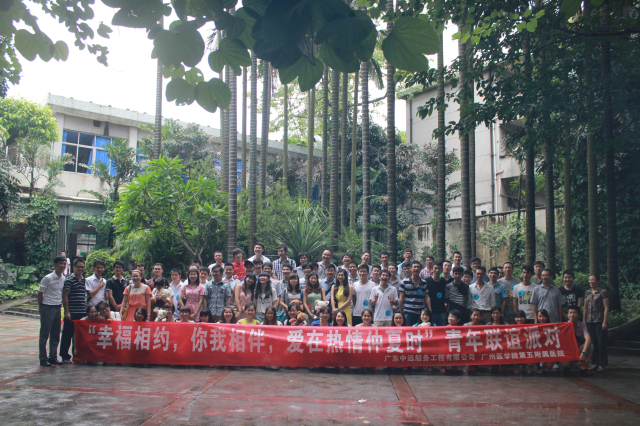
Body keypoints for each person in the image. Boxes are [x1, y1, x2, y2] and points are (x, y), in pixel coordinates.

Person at [38, 256, 67, 366]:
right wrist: (40, 307)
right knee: (44, 334)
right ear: (55, 265)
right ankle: (43, 358)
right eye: (60, 263)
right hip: (47, 307)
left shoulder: (63, 278)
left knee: (55, 334)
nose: (62, 266)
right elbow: (40, 293)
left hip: (57, 307)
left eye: (64, 264)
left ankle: (53, 357)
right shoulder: (48, 278)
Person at [60, 258, 88, 363]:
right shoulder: (69, 280)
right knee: (67, 334)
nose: (81, 269)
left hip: (81, 312)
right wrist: (67, 311)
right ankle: (64, 356)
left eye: (82, 267)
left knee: (79, 336)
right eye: (78, 267)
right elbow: (65, 296)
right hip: (72, 312)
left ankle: (77, 355)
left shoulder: (83, 280)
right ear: (73, 267)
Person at [584, 274, 609, 372]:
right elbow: (585, 308)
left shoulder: (603, 292)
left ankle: (602, 364)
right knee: (593, 343)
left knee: (601, 342)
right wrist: (584, 321)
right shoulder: (587, 292)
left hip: (599, 321)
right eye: (590, 280)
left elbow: (606, 307)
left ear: (598, 281)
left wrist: (605, 321)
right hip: (589, 321)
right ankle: (595, 363)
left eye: (593, 280)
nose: (591, 281)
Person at [398, 261, 431, 327]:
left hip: (420, 313)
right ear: (411, 268)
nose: (416, 269)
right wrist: (400, 311)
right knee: (408, 330)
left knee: (420, 330)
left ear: (420, 269)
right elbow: (401, 298)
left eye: (418, 267)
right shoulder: (404, 282)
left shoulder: (424, 283)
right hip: (408, 312)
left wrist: (430, 310)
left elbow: (427, 297)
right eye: (414, 267)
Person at [563, 305, 593, 372]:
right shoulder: (563, 325)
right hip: (568, 351)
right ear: (567, 314)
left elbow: (588, 339)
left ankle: (584, 367)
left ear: (579, 315)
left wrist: (583, 353)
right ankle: (570, 365)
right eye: (570, 313)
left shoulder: (583, 325)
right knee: (565, 365)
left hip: (578, 349)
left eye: (574, 313)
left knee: (590, 346)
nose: (572, 315)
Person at [426, 262, 447, 326]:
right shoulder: (427, 281)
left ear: (441, 270)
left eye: (439, 268)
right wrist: (429, 310)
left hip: (442, 311)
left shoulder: (444, 281)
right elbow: (426, 296)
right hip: (431, 311)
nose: (437, 270)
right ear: (432, 269)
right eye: (435, 268)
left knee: (442, 329)